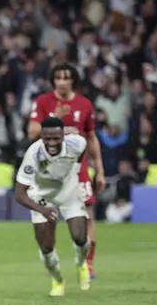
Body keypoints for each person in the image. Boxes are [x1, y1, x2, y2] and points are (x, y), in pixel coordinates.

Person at [28, 63, 105, 279]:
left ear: (73, 80)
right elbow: (32, 133)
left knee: (87, 217)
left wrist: (99, 170)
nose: (62, 81)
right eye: (58, 77)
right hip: (49, 173)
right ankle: (52, 263)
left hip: (77, 172)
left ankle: (88, 265)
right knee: (49, 219)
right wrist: (55, 117)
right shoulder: (43, 102)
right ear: (53, 81)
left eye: (66, 77)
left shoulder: (84, 104)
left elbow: (91, 138)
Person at [16, 117, 91, 296]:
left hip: (68, 191)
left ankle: (81, 263)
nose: (51, 143)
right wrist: (42, 209)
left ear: (63, 135)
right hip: (42, 197)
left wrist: (77, 169)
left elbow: (82, 151)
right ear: (41, 136)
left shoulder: (77, 143)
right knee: (46, 247)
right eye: (47, 138)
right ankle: (57, 280)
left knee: (80, 237)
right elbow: (19, 194)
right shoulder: (33, 153)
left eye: (56, 138)